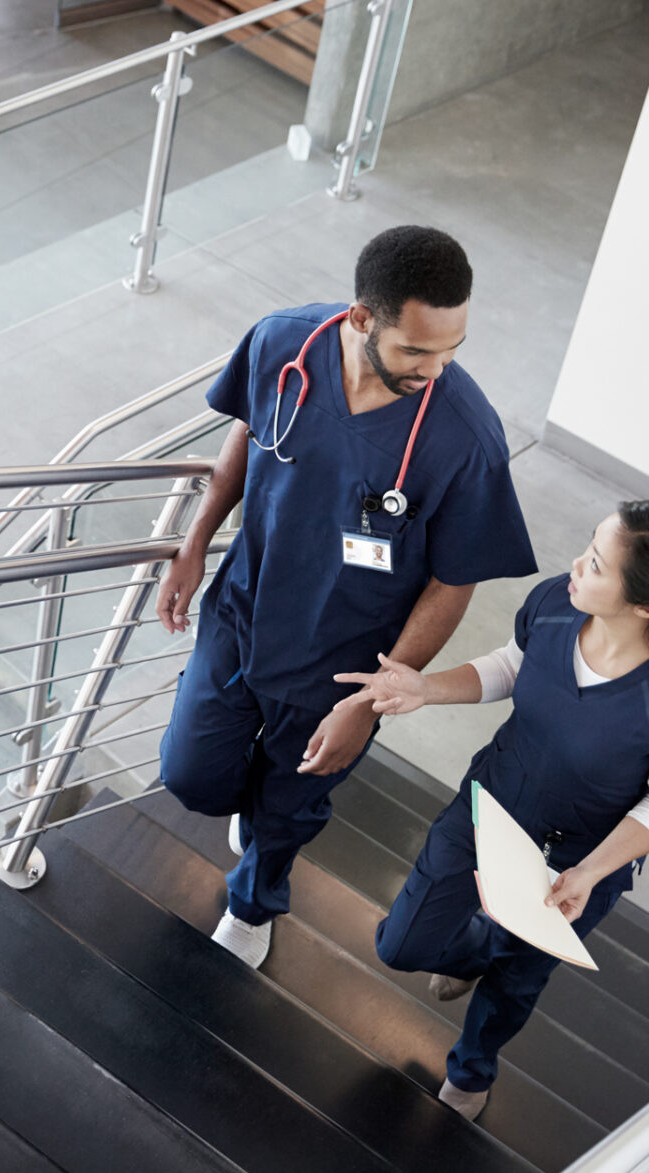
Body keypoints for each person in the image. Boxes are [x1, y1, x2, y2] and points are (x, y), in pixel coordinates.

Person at [155, 225, 538, 970]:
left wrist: (372, 698)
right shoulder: (281, 345)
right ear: (363, 319)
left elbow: (454, 580)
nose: (437, 369)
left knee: (289, 809)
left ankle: (254, 898)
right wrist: (196, 540)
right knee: (191, 776)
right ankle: (253, 808)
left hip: (344, 664)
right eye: (416, 351)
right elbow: (248, 433)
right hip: (244, 615)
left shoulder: (464, 439)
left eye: (453, 349)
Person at [334, 500, 649, 1120]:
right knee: (400, 944)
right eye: (587, 547)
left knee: (518, 980)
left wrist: (592, 873)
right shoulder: (554, 603)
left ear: (648, 605)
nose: (576, 565)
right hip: (491, 807)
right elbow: (513, 667)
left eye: (596, 564)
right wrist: (427, 688)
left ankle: (472, 1068)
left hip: (575, 864)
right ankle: (474, 951)